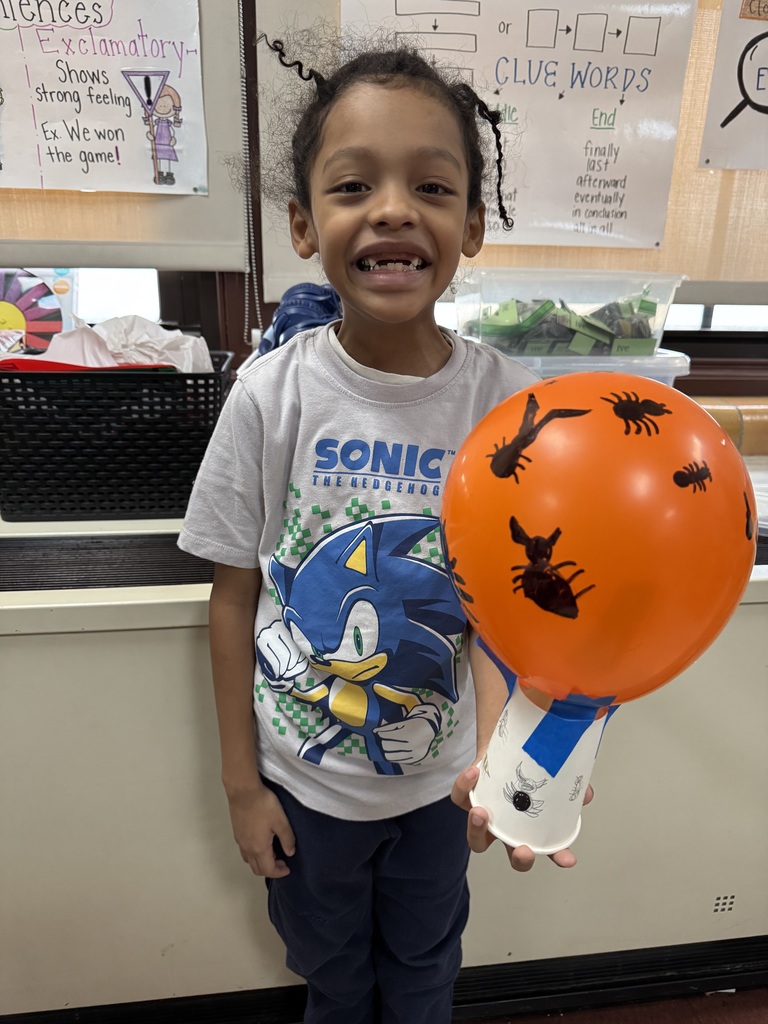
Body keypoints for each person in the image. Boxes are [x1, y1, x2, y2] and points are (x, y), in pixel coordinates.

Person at [178, 38, 592, 1024]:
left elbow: (499, 609)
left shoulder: (503, 401)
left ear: (473, 226)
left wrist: (500, 765)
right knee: (334, 980)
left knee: (421, 979)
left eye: (433, 187)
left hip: (436, 794)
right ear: (303, 222)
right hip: (305, 790)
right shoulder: (271, 394)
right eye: (356, 183)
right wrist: (242, 785)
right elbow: (233, 592)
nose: (395, 208)